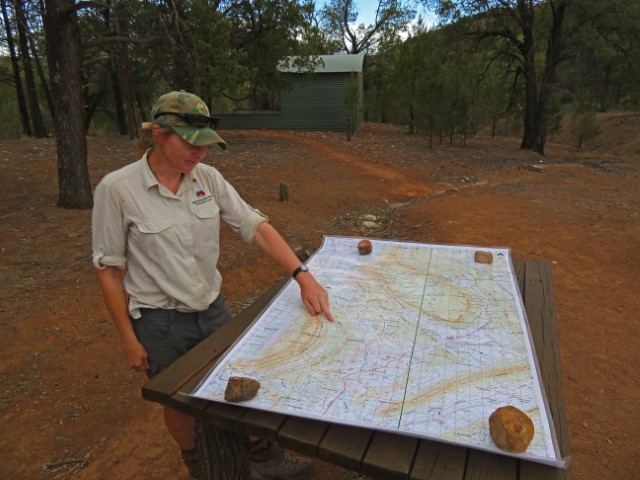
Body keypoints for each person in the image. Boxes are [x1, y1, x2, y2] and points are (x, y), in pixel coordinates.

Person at [92, 90, 334, 479]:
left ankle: (264, 456)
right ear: (159, 135)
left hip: (212, 307)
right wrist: (128, 339)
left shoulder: (207, 178)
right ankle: (199, 464)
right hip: (159, 321)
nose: (199, 154)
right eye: (190, 144)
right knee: (178, 401)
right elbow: (109, 270)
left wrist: (301, 274)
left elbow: (254, 227)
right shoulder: (117, 190)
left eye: (205, 145)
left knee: (240, 381)